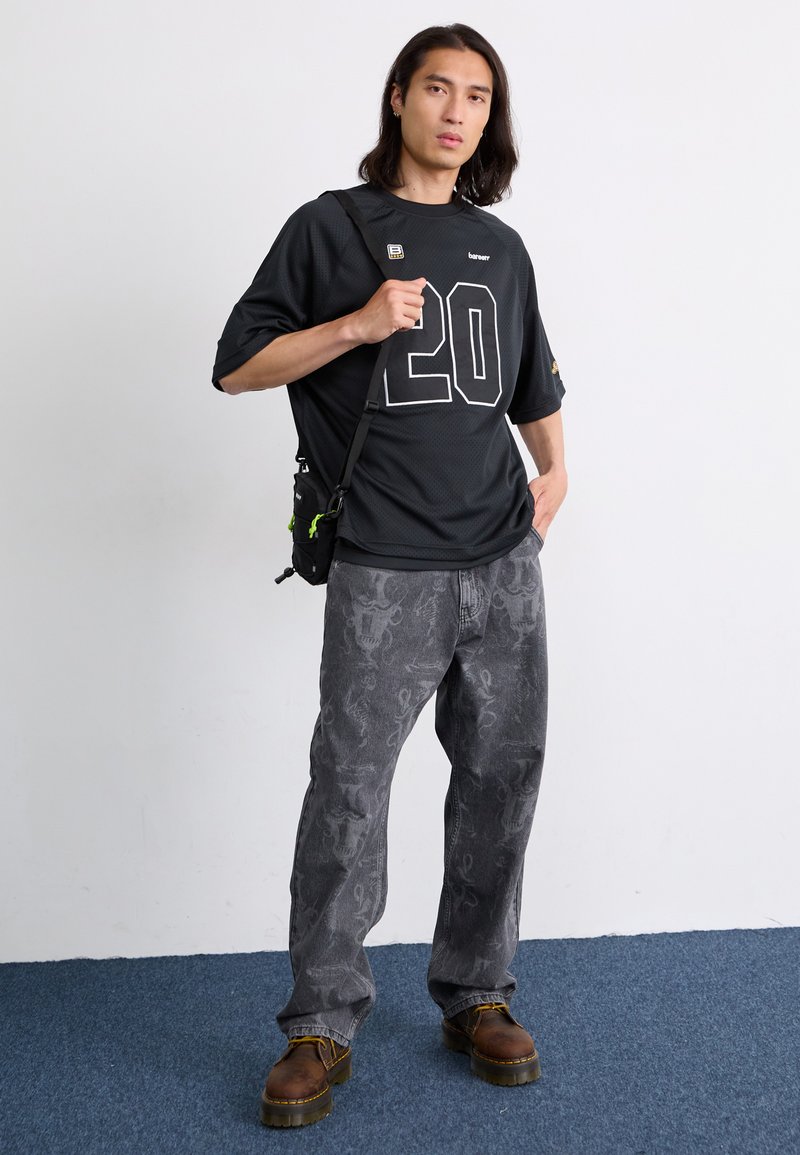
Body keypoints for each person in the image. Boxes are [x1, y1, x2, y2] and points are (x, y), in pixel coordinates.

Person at [212, 23, 568, 1129]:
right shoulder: (330, 228)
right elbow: (236, 366)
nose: (457, 112)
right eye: (438, 89)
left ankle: (477, 992)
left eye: (478, 96)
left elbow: (532, 385)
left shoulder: (500, 247)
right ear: (399, 99)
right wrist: (358, 324)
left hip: (500, 564)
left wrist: (556, 472)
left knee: (501, 781)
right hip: (383, 568)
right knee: (350, 793)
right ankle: (321, 1021)